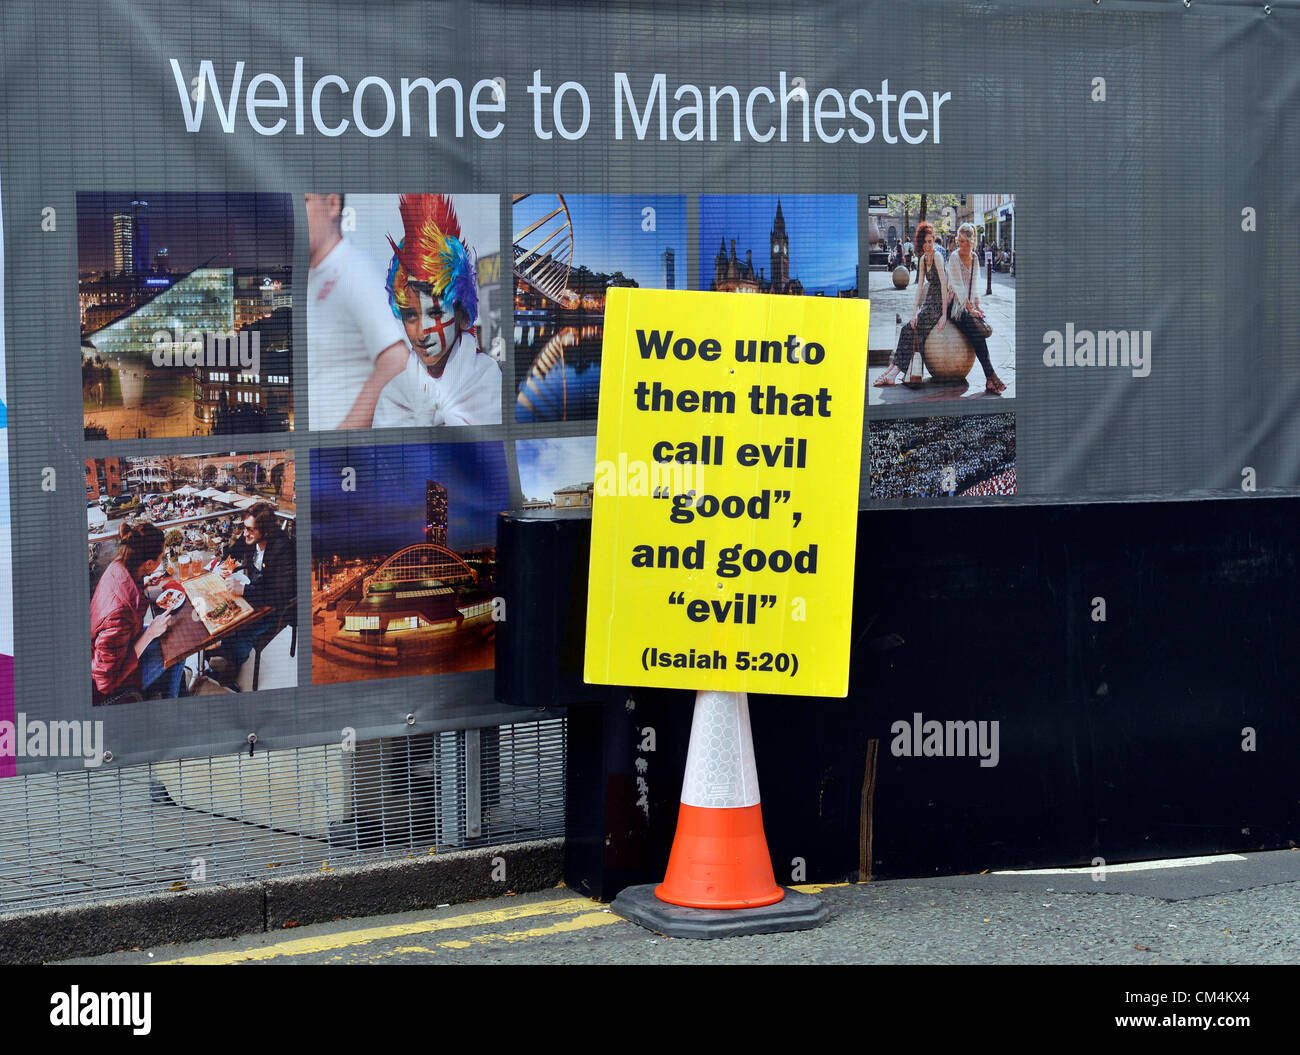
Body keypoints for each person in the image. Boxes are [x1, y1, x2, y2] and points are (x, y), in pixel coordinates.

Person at [372, 195, 502, 427]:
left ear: (462, 316)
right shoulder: (393, 394)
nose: (422, 332)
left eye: (435, 313)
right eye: (410, 315)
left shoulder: (488, 378)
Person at [305, 193, 410, 431]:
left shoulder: (354, 270)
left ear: (332, 204)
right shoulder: (310, 279)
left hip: (341, 461)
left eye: (304, 201)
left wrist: (342, 436)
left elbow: (397, 361)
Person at [90, 522, 184, 703]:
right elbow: (105, 682)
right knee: (177, 651)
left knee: (172, 638)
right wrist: (149, 634)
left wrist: (145, 581)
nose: (161, 560)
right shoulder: (119, 612)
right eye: (161, 557)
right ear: (149, 563)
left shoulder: (118, 566)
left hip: (120, 648)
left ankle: (172, 693)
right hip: (114, 685)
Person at [212, 502, 295, 684]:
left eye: (250, 529)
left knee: (241, 631)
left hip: (275, 608)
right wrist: (225, 566)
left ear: (265, 531)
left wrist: (244, 589)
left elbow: (280, 594)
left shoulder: (283, 549)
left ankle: (232, 669)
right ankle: (228, 653)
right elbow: (234, 552)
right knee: (225, 618)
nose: (245, 533)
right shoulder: (251, 538)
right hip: (256, 592)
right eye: (244, 527)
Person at [874, 221, 947, 387]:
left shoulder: (937, 256)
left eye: (931, 241)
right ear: (920, 242)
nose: (928, 245)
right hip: (929, 302)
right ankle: (893, 370)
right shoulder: (922, 259)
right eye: (925, 242)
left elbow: (944, 285)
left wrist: (944, 315)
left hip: (939, 304)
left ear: (934, 240)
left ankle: (894, 371)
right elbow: (920, 287)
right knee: (910, 328)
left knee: (909, 329)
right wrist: (915, 313)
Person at [946, 222, 1006, 393]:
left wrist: (977, 307)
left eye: (965, 241)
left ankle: (990, 378)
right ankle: (992, 376)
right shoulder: (954, 258)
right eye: (959, 241)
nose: (961, 245)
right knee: (974, 330)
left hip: (968, 305)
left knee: (977, 332)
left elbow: (975, 286)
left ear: (972, 242)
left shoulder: (974, 259)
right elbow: (957, 287)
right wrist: (969, 308)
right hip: (955, 305)